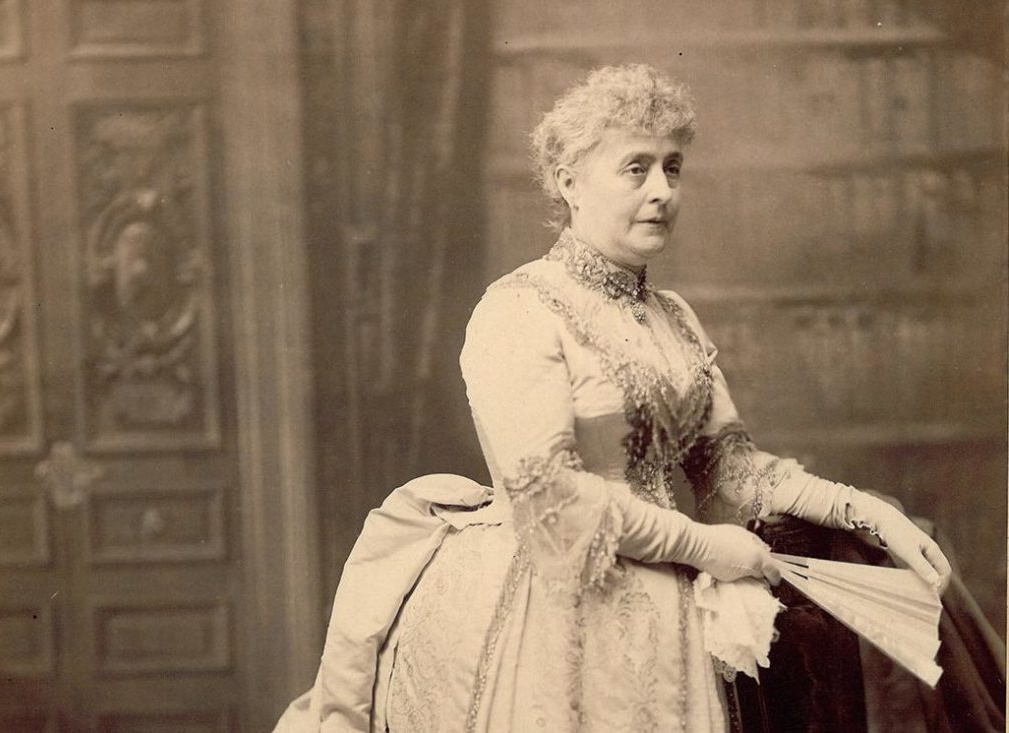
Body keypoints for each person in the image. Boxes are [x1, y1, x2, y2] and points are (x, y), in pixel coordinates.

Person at [274, 63, 951, 733]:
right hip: (558, 603)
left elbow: (731, 471)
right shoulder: (518, 309)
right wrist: (708, 549)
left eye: (673, 167)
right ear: (569, 182)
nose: (662, 190)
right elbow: (554, 497)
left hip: (677, 613)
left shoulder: (676, 316)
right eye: (636, 168)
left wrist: (867, 514)